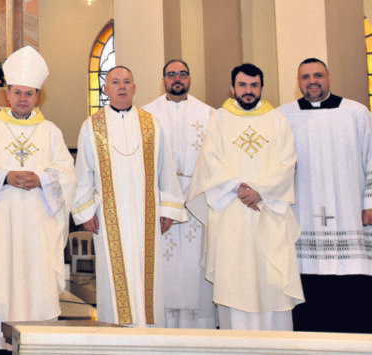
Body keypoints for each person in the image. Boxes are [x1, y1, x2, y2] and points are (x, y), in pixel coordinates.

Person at [0, 46, 74, 349]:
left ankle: (41, 342)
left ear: (38, 96)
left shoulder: (50, 132)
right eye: (18, 92)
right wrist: (4, 177)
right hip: (3, 221)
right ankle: (1, 343)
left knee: (38, 278)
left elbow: (67, 173)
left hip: (39, 224)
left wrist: (42, 179)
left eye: (29, 93)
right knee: (4, 277)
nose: (23, 99)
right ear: (8, 94)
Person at [187, 63, 303, 330]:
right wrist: (237, 188)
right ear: (232, 88)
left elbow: (288, 161)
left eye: (254, 85)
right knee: (234, 277)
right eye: (242, 85)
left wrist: (261, 192)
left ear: (261, 88)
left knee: (271, 278)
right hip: (231, 210)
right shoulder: (219, 118)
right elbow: (210, 160)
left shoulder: (276, 119)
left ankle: (276, 343)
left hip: (268, 210)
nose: (248, 90)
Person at [72, 65, 186, 327]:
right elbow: (83, 172)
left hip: (146, 215)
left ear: (134, 88)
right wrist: (86, 211)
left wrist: (168, 208)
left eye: (126, 82)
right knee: (113, 277)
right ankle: (116, 332)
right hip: (108, 216)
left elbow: (166, 168)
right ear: (106, 89)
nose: (121, 87)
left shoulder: (151, 124)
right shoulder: (92, 126)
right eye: (115, 82)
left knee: (147, 275)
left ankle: (148, 333)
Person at [278, 58, 372, 333]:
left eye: (317, 75)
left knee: (353, 290)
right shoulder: (283, 116)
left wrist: (370, 202)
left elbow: (370, 158)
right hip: (302, 214)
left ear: (328, 77)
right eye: (305, 77)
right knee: (308, 288)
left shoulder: (356, 113)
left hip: (349, 214)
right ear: (298, 82)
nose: (312, 81)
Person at [142, 59, 217, 328]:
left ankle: (199, 331)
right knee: (165, 268)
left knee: (195, 267)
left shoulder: (209, 114)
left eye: (182, 74)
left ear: (190, 79)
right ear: (163, 80)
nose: (177, 78)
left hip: (198, 200)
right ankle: (162, 329)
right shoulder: (146, 115)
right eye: (171, 74)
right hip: (160, 200)